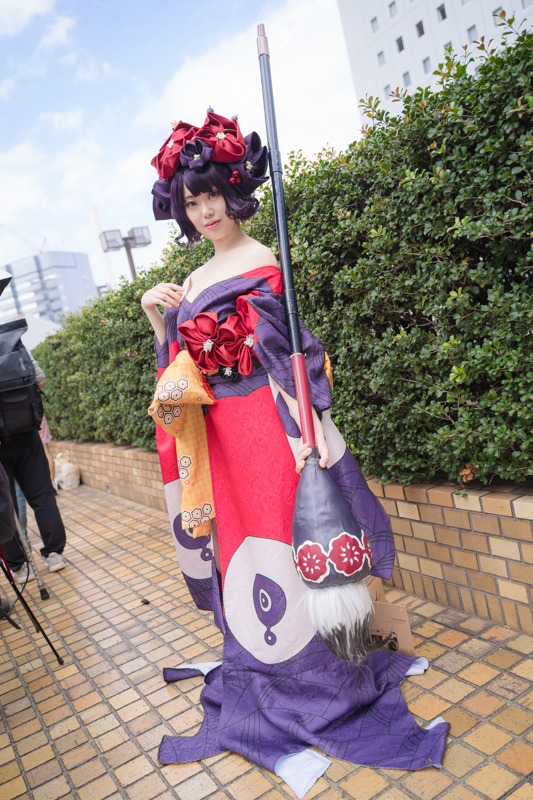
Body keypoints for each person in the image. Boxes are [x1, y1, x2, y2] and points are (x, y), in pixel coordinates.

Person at [142, 111, 448, 794]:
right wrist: (158, 318)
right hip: (219, 438)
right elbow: (178, 374)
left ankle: (327, 679)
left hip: (268, 427)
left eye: (212, 193)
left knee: (289, 538)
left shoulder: (261, 260)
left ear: (234, 188)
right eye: (191, 202)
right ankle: (267, 668)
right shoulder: (189, 280)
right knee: (243, 550)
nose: (205, 210)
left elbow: (295, 355)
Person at [0, 356, 66, 581]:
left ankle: (19, 566)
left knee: (4, 503)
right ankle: (54, 553)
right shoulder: (12, 344)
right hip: (26, 432)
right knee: (42, 495)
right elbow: (40, 381)